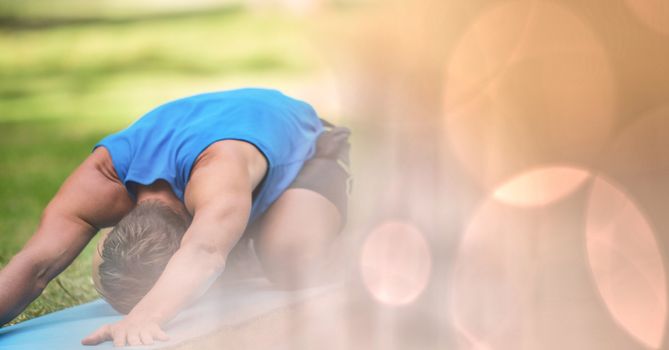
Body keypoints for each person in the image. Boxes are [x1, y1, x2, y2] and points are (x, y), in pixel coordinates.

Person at [0, 88, 351, 347]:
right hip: (222, 176)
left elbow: (203, 252)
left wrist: (145, 317)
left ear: (190, 229)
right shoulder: (102, 179)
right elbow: (34, 265)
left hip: (309, 151)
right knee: (118, 273)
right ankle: (233, 239)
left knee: (290, 258)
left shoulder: (217, 169)